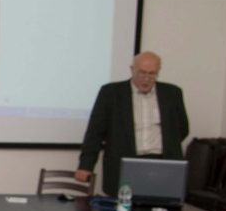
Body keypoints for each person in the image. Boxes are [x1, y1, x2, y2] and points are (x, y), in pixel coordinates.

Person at [76, 51, 190, 197]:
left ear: (158, 72)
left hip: (162, 164)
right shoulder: (111, 93)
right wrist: (85, 165)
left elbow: (182, 129)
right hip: (125, 163)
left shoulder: (173, 93)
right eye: (142, 73)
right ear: (132, 70)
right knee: (122, 208)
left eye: (152, 74)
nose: (146, 79)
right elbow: (95, 132)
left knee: (162, 207)